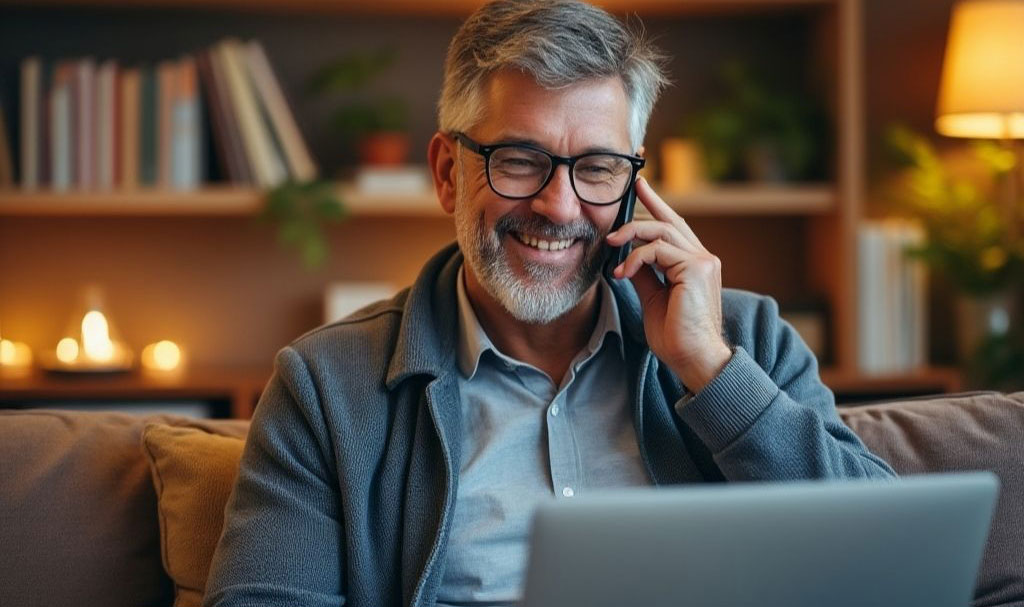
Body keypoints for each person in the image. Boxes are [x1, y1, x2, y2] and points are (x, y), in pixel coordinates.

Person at [204, 1, 895, 606]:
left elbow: (888, 562)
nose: (558, 205)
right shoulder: (325, 387)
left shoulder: (747, 342)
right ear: (449, 173)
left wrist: (711, 371)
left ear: (633, 181)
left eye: (596, 167)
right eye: (519, 159)